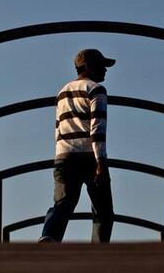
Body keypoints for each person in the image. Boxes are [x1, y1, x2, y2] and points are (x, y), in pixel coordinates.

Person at [39, 49, 115, 243]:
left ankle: (48, 237)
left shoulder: (62, 92)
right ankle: (98, 255)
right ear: (88, 66)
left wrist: (60, 156)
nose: (105, 71)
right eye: (101, 66)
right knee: (103, 210)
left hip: (64, 156)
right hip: (89, 156)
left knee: (62, 204)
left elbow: (58, 128)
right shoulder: (96, 90)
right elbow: (97, 128)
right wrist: (101, 162)